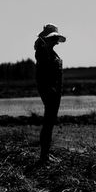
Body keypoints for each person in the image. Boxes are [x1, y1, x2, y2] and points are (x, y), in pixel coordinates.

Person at [34, 23, 66, 163]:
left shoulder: (45, 51)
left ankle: (45, 155)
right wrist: (49, 89)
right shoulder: (43, 53)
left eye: (56, 39)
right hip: (50, 91)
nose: (56, 42)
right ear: (47, 39)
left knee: (49, 122)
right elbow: (42, 75)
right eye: (53, 39)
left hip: (52, 90)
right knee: (48, 122)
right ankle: (44, 157)